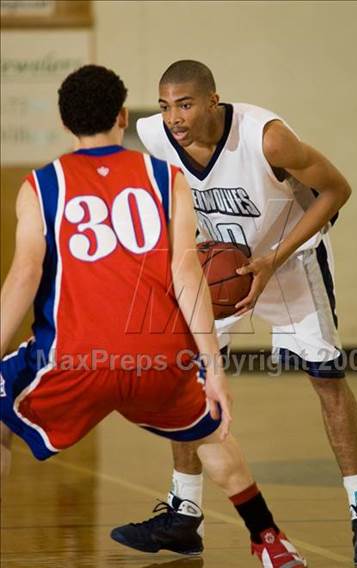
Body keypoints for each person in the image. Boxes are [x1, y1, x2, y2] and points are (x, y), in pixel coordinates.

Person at [0, 64, 309, 568]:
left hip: (76, 359)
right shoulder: (166, 177)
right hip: (157, 357)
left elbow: (22, 279)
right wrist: (211, 366)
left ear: (64, 123)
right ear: (123, 116)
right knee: (208, 432)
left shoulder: (42, 185)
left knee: (1, 416)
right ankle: (270, 541)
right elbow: (187, 272)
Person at [113, 60, 357, 567]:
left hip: (288, 261)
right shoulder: (155, 136)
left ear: (213, 101)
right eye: (165, 105)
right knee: (190, 380)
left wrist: (272, 261)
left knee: (327, 381)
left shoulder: (267, 138)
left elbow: (336, 190)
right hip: (220, 265)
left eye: (185, 104)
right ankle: (184, 515)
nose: (173, 117)